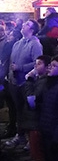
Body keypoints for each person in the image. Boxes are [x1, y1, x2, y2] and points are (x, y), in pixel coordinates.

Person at [6, 19, 43, 147]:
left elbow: (37, 63)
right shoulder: (17, 43)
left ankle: (30, 138)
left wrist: (21, 68)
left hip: (25, 82)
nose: (23, 25)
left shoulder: (35, 44)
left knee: (28, 111)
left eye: (27, 24)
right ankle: (20, 134)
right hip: (14, 81)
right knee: (18, 110)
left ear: (32, 29)